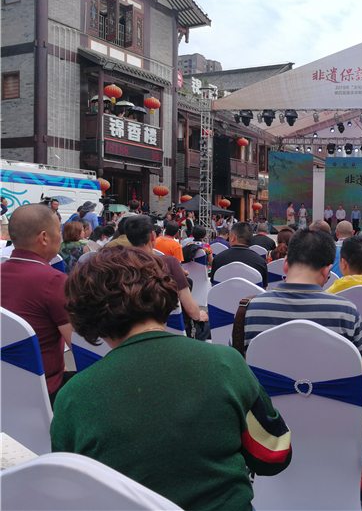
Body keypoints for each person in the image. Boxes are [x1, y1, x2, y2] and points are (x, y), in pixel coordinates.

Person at [50, 247, 291, 510]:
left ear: (86, 317)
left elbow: (69, 491)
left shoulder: (74, 396)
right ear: (166, 292)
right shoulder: (225, 363)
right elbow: (274, 454)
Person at [244, 229, 362, 369]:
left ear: (285, 264)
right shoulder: (346, 312)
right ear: (326, 271)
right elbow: (360, 369)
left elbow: (239, 366)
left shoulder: (250, 309)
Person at [1, 204, 74, 405]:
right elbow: (79, 347)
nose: (61, 237)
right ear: (44, 238)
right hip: (42, 392)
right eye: (59, 231)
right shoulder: (54, 281)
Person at [211, 221, 268, 287]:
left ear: (233, 237)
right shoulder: (260, 262)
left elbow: (213, 285)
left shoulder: (218, 259)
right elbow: (263, 289)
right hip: (250, 294)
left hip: (224, 293)